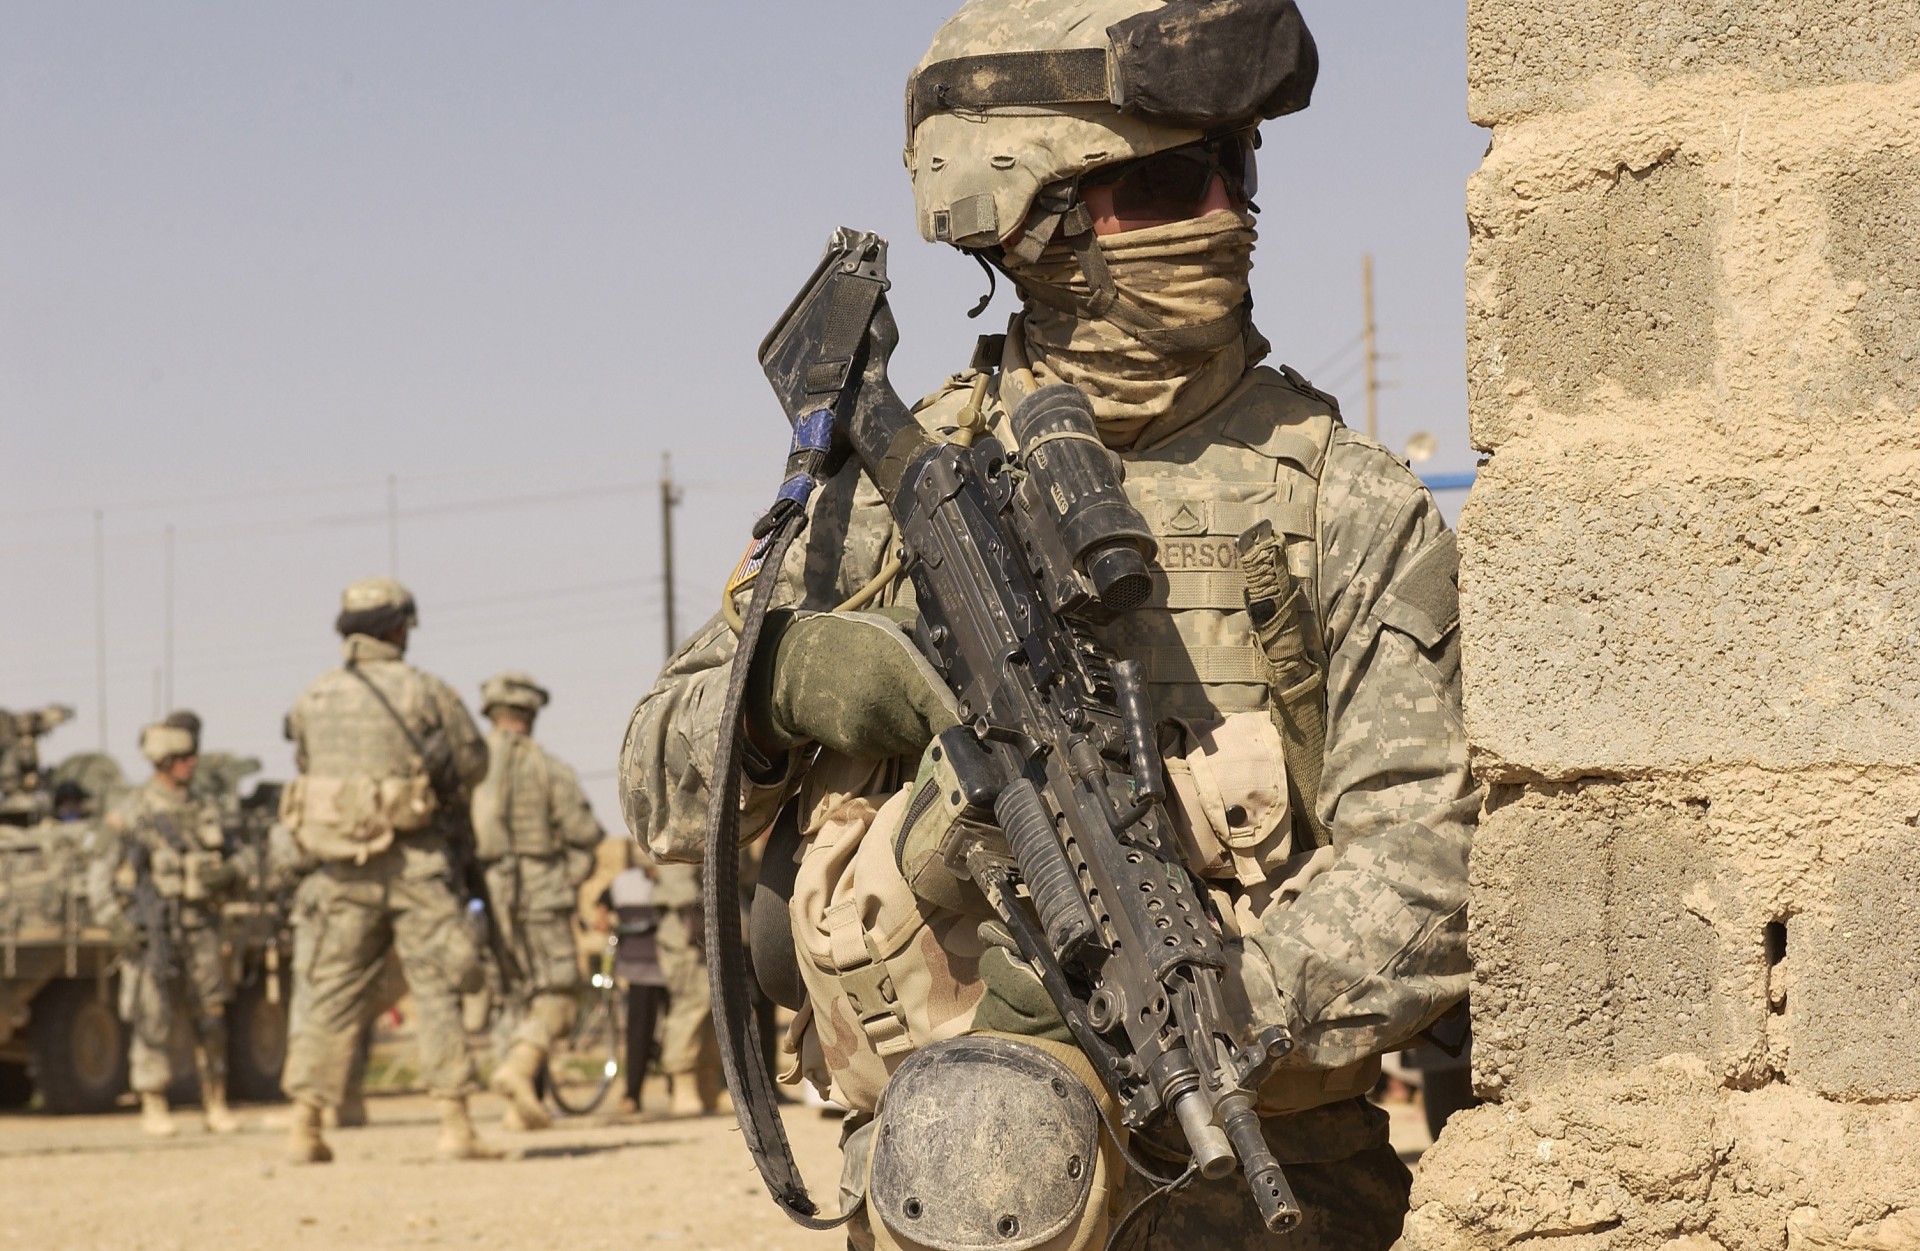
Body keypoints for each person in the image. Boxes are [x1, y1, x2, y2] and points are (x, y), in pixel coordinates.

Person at [620, 3, 1477, 1247]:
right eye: (1169, 183)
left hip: (1247, 1168)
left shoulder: (1344, 503)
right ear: (1026, 220)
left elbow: (1429, 859)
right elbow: (656, 778)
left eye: (1235, 170)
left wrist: (1191, 1021)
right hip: (945, 1188)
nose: (1225, 216)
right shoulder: (882, 491)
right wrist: (782, 686)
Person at [278, 576, 495, 1163]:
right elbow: (473, 762)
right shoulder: (424, 691)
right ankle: (454, 1124)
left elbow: (304, 759)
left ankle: (306, 1126)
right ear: (397, 628)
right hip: (415, 862)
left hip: (339, 868)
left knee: (329, 994)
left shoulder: (313, 697)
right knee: (436, 985)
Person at [89, 721, 244, 1137]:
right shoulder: (132, 811)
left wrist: (230, 872)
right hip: (152, 931)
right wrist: (117, 925)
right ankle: (153, 1102)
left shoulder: (206, 808)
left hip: (201, 928)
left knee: (211, 1018)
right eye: (183, 759)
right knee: (151, 1019)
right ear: (164, 762)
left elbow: (241, 859)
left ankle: (215, 1102)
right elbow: (98, 876)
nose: (192, 764)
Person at [470, 670, 605, 1132]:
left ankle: (517, 1106)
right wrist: (565, 880)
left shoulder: (468, 771)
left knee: (509, 994)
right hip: (540, 888)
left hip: (482, 893)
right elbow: (585, 835)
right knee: (559, 988)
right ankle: (521, 1069)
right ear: (531, 713)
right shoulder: (548, 768)